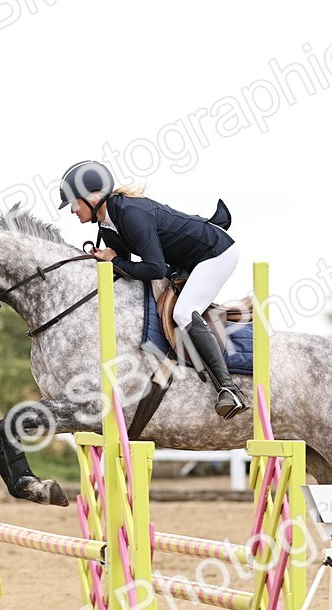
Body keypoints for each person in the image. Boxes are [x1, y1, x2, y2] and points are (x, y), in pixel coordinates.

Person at [58, 160, 247, 419]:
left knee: (183, 312)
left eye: (73, 202)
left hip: (215, 253)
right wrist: (106, 260)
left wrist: (113, 261)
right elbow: (126, 271)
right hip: (187, 259)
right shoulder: (107, 225)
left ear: (93, 197)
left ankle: (229, 388)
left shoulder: (130, 213)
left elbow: (154, 269)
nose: (71, 210)